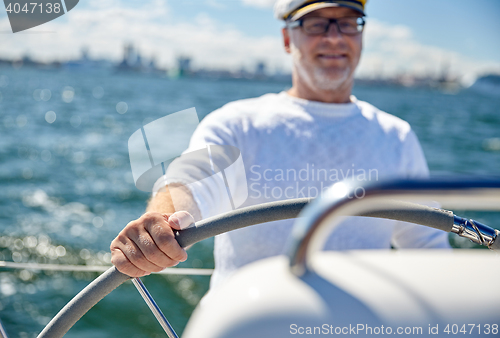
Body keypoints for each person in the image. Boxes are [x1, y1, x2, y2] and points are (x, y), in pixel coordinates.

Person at [110, 0, 450, 285]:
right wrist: (161, 220)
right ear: (288, 39)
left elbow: (427, 247)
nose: (334, 38)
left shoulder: (397, 136)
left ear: (361, 37)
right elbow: (193, 179)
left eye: (348, 23)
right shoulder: (237, 123)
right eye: (316, 24)